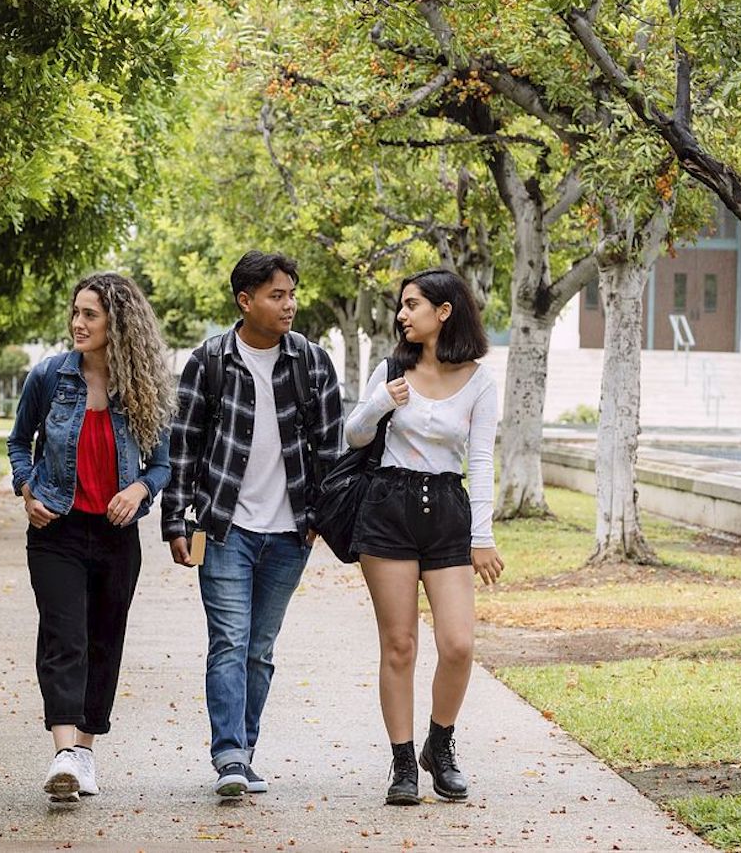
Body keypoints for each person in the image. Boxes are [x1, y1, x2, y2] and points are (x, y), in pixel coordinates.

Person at [161, 250, 344, 797]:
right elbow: (185, 445)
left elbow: (332, 450)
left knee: (259, 649)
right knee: (229, 641)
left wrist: (320, 519)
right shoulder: (210, 360)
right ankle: (230, 757)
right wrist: (176, 519)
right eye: (277, 295)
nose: (289, 304)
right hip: (224, 529)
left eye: (291, 293)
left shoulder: (311, 361)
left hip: (291, 534)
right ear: (246, 301)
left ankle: (246, 749)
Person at [7, 273, 175, 803]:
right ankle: (62, 753)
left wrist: (140, 489)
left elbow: (164, 465)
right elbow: (18, 444)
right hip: (56, 528)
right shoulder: (49, 377)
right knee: (64, 637)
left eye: (91, 315)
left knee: (105, 641)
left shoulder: (144, 385)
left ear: (117, 324)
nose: (78, 323)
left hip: (116, 535)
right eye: (75, 312)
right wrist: (26, 488)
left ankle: (83, 753)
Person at [342, 267, 502, 806]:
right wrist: (385, 400)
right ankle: (403, 763)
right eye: (401, 306)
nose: (403, 314)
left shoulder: (479, 380)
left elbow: (479, 460)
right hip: (388, 507)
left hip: (447, 512)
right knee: (400, 644)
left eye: (413, 305)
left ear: (444, 311)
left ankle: (441, 742)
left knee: (458, 643)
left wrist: (483, 536)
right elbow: (354, 434)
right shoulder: (392, 368)